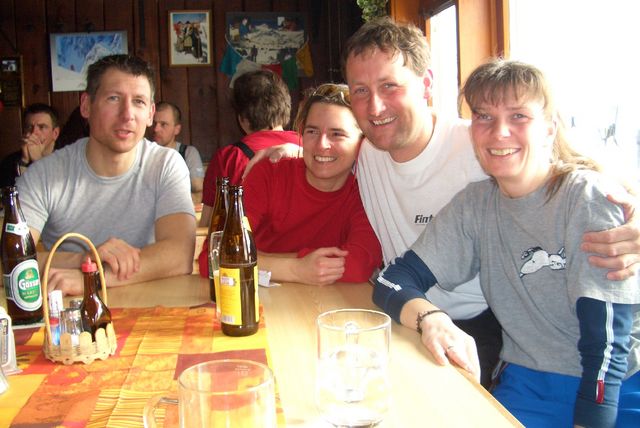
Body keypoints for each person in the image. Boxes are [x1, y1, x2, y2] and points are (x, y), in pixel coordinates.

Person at [247, 17, 640, 389]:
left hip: (485, 324)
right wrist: (288, 146)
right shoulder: (366, 153)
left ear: (426, 84)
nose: (375, 107)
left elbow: (575, 169)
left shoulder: (481, 145)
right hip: (400, 304)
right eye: (361, 91)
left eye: (389, 86)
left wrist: (634, 215)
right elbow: (327, 148)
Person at [373, 59, 639, 427]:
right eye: (484, 116)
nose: (499, 132)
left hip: (615, 388)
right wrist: (430, 318)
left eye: (518, 116)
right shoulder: (476, 204)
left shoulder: (586, 198)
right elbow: (392, 280)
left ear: (549, 128)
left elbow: (607, 344)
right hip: (526, 382)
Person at [16, 54, 196, 295]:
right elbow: (8, 260)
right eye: (113, 98)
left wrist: (92, 279)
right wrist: (85, 259)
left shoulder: (166, 164)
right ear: (86, 106)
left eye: (139, 102)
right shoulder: (44, 175)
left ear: (150, 114)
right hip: (71, 311)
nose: (127, 114)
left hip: (151, 307)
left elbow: (180, 255)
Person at [241, 83, 381, 285]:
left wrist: (258, 259)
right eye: (312, 131)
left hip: (326, 301)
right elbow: (215, 257)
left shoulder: (365, 192)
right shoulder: (268, 174)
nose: (321, 144)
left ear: (362, 143)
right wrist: (297, 269)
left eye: (337, 134)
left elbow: (358, 265)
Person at [199, 70, 299, 228]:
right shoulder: (308, 146)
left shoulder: (229, 157)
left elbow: (208, 223)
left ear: (242, 118)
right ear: (286, 107)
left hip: (251, 241)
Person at [0, 103, 60, 188]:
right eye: (29, 127)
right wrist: (24, 162)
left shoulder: (65, 161)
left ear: (55, 133)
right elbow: (8, 192)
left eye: (41, 127)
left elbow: (55, 191)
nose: (33, 132)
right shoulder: (9, 162)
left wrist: (38, 162)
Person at [152, 101, 204, 196]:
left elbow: (199, 191)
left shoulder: (187, 153)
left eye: (163, 124)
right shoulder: (141, 153)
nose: (156, 129)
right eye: (154, 123)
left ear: (177, 129)